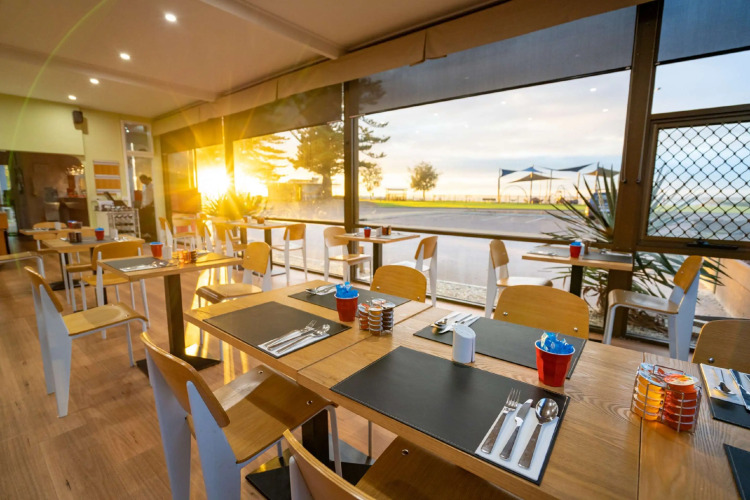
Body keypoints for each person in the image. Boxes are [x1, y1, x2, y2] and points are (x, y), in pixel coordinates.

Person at [139, 174, 156, 241]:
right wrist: (141, 205)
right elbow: (144, 197)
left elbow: (155, 196)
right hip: (144, 206)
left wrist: (151, 204)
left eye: (142, 180)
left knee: (149, 221)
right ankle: (146, 234)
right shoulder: (143, 186)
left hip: (150, 206)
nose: (141, 182)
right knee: (144, 221)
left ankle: (151, 235)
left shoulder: (152, 186)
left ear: (145, 179)